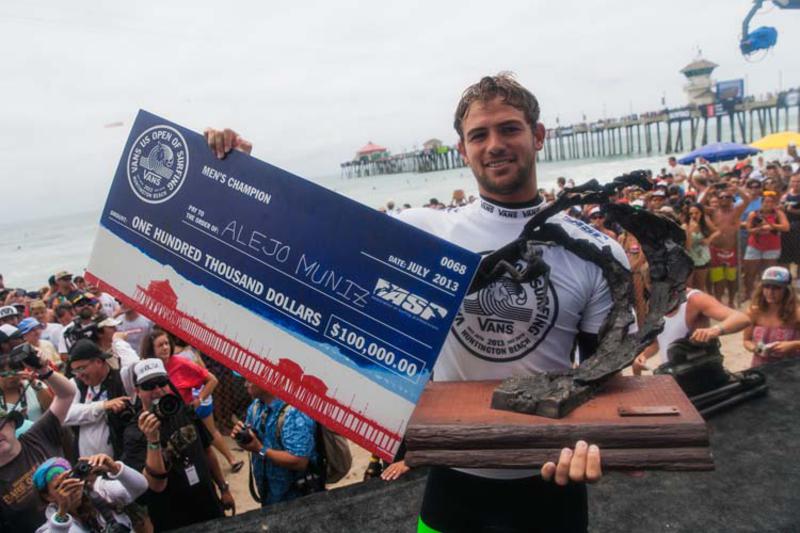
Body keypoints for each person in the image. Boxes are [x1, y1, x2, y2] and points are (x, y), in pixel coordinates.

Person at [207, 76, 605, 532]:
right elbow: (308, 245)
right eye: (479, 134)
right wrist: (235, 178)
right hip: (455, 479)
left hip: (552, 478)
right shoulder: (426, 233)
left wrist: (598, 442)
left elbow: (602, 376)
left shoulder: (592, 251)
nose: (495, 144)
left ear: (538, 135)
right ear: (462, 149)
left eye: (510, 129)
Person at [120, 358, 231, 531]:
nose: (157, 390)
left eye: (162, 383)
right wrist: (152, 440)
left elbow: (208, 450)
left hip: (207, 503)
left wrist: (223, 488)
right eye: (149, 386)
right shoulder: (134, 432)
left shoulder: (184, 411)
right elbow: (154, 485)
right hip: (172, 516)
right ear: (138, 391)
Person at [140, 329, 242, 472]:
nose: (165, 347)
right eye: (160, 345)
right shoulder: (145, 370)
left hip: (187, 416)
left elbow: (212, 380)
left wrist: (199, 400)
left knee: (207, 439)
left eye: (167, 343)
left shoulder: (181, 363)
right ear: (151, 350)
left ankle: (229, 464)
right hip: (164, 422)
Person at [0, 347, 77, 532]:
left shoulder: (38, 435)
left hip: (84, 520)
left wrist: (45, 371)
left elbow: (67, 394)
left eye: (0, 425)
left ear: (12, 424)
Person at [231, 379, 317, 506]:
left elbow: (300, 461)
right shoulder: (256, 406)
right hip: (269, 491)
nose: (245, 384)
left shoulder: (293, 412)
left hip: (297, 497)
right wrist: (242, 438)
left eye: (250, 380)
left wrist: (260, 449)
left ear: (267, 379)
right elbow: (253, 442)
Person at [632, 289, 750, 373]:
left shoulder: (695, 300)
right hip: (675, 374)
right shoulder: (653, 304)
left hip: (702, 374)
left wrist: (714, 330)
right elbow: (657, 343)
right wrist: (642, 356)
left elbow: (742, 319)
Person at [33, 453, 147, 533]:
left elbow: (141, 488)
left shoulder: (101, 490)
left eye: (70, 479)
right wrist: (62, 512)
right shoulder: (50, 528)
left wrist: (115, 468)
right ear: (47, 496)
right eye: (60, 486)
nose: (70, 487)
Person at [63, 339, 134, 459]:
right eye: (75, 370)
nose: (79, 374)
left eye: (82, 368)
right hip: (86, 465)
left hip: (120, 463)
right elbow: (64, 415)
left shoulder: (121, 379)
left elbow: (134, 365)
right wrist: (102, 406)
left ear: (99, 361)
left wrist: (118, 341)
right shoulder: (76, 384)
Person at [743, 266, 800, 366]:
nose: (770, 292)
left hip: (791, 366)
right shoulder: (754, 312)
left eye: (776, 288)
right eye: (766, 287)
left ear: (787, 290)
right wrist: (756, 349)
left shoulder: (796, 313)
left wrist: (793, 345)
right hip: (761, 365)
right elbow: (746, 340)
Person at [708, 184, 752, 307]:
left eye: (727, 197)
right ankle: (718, 301)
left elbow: (747, 199)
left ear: (731, 199)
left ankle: (732, 301)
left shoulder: (736, 211)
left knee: (732, 279)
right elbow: (698, 204)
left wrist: (735, 187)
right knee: (717, 279)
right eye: (721, 197)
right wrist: (709, 188)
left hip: (731, 250)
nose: (724, 199)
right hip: (715, 249)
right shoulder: (713, 211)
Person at [743, 191, 790, 298]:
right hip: (755, 245)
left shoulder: (778, 213)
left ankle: (764, 295)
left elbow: (786, 227)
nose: (768, 204)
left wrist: (772, 226)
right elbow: (748, 229)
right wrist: (759, 229)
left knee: (769, 272)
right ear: (762, 202)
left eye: (771, 202)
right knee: (750, 272)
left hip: (772, 247)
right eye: (766, 202)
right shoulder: (754, 213)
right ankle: (748, 293)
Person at [0, 352, 53, 435]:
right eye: (4, 374)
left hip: (41, 438)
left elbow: (52, 409)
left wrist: (35, 385)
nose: (10, 377)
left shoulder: (34, 385)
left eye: (14, 372)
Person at [683, 203, 718, 292]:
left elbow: (718, 231)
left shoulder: (705, 222)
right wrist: (690, 231)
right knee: (688, 287)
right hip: (689, 260)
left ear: (701, 213)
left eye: (696, 213)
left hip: (702, 258)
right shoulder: (685, 226)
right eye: (691, 214)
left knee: (700, 286)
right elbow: (688, 246)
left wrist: (709, 239)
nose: (694, 216)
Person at [778, 174, 800, 273]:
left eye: (798, 181)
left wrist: (792, 211)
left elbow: (790, 210)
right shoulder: (785, 195)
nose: (795, 184)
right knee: (785, 256)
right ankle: (786, 278)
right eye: (793, 181)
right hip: (786, 228)